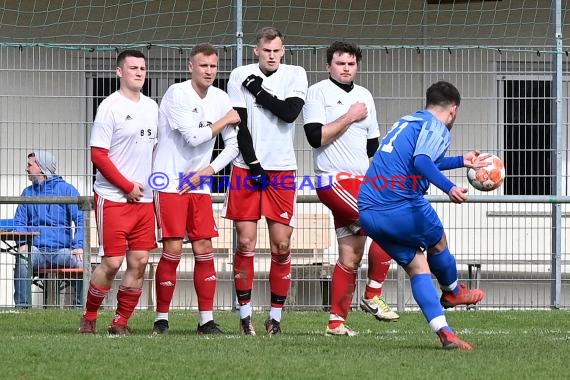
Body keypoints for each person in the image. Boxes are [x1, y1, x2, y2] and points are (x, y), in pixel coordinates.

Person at [358, 80, 488, 350]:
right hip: (399, 204)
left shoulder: (409, 121)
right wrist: (450, 187)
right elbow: (421, 162)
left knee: (418, 266)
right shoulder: (436, 126)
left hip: (369, 210)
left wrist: (460, 161)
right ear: (453, 110)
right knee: (438, 240)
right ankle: (452, 292)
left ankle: (445, 332)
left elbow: (420, 158)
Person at [302, 41, 399, 336]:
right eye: (340, 63)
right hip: (333, 180)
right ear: (328, 65)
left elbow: (372, 145)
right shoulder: (317, 92)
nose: (346, 68)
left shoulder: (364, 96)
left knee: (350, 256)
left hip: (360, 182)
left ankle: (336, 323)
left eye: (351, 63)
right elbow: (315, 137)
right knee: (391, 225)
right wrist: (349, 116)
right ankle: (371, 295)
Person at [222, 26, 308, 335]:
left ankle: (275, 318)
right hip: (247, 169)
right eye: (266, 50)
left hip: (282, 171)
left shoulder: (296, 74)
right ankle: (245, 317)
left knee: (281, 244)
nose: (271, 55)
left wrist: (258, 90)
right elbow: (239, 123)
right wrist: (253, 162)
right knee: (245, 242)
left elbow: (288, 113)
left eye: (276, 50)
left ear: (282, 51)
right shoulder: (238, 74)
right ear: (256, 50)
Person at [150, 43, 240, 336]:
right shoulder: (177, 93)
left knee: (205, 249)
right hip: (169, 182)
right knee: (173, 248)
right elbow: (193, 137)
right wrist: (226, 119)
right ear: (191, 66)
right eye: (203, 66)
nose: (209, 71)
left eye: (213, 66)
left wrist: (209, 170)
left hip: (199, 184)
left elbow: (234, 145)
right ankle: (161, 319)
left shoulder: (220, 96)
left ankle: (206, 321)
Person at [79, 49, 158, 335]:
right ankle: (89, 316)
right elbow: (98, 155)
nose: (139, 72)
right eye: (133, 67)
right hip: (113, 198)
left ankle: (121, 322)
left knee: (139, 262)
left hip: (145, 200)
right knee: (112, 262)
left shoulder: (152, 107)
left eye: (142, 68)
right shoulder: (109, 107)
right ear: (119, 72)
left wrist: (153, 185)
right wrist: (127, 186)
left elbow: (157, 149)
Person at [13, 151, 84, 308]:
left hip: (62, 252)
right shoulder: (27, 193)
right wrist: (23, 243)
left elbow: (81, 218)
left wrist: (79, 245)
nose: (26, 168)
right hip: (36, 250)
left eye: (30, 165)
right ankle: (22, 309)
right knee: (23, 256)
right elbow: (19, 220)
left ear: (41, 167)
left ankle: (81, 309)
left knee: (81, 262)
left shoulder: (67, 190)